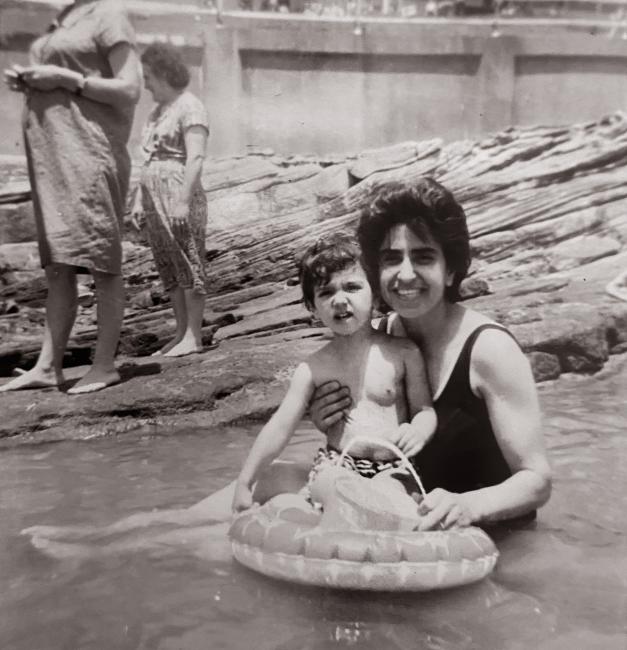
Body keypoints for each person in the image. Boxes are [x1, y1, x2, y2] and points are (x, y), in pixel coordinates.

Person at [309, 178, 552, 531]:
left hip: (496, 546)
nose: (405, 274)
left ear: (450, 267)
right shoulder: (380, 339)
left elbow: (537, 481)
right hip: (416, 537)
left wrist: (470, 505)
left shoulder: (489, 349)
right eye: (392, 259)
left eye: (423, 257)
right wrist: (330, 420)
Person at [232, 232, 437, 512]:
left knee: (391, 493)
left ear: (376, 295)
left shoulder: (403, 353)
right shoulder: (312, 368)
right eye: (326, 293)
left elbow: (425, 410)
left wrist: (418, 431)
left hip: (394, 467)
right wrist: (245, 482)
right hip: (338, 463)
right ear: (312, 308)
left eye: (351, 287)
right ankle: (304, 510)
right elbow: (280, 426)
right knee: (329, 484)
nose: (339, 300)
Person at [1, 0, 142, 394]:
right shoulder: (63, 18)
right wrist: (32, 81)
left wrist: (64, 78)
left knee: (103, 262)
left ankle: (104, 365)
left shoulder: (109, 14)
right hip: (53, 158)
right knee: (58, 265)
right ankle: (48, 367)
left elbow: (130, 89)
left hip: (89, 153)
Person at [130, 43, 210, 357]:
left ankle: (194, 336)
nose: (145, 83)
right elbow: (147, 161)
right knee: (168, 267)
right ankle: (180, 334)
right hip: (154, 198)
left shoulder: (191, 106)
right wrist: (139, 199)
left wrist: (182, 201)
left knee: (188, 262)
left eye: (148, 76)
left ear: (163, 74)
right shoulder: (155, 112)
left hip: (180, 193)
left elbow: (196, 158)